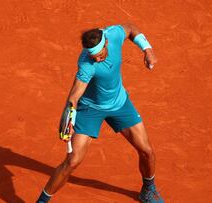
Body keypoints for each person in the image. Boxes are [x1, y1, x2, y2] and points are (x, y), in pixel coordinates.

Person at [36, 23, 164, 203]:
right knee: (72, 161)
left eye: (99, 55)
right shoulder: (87, 65)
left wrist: (147, 49)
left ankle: (148, 189)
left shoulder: (114, 35)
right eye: (92, 57)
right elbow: (74, 95)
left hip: (119, 103)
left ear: (106, 44)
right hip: (90, 109)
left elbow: (131, 29)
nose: (96, 59)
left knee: (147, 151)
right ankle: (41, 201)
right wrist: (68, 118)